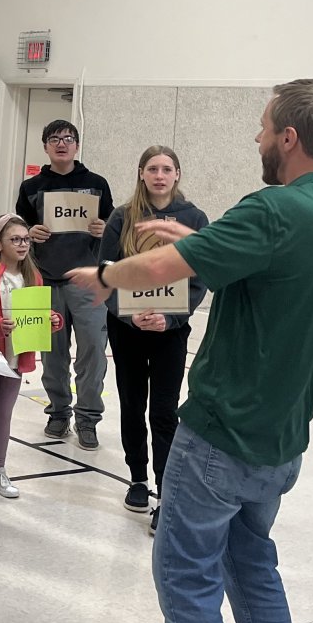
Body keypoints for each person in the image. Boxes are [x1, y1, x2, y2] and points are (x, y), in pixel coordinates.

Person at [68, 79, 313, 623]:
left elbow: (162, 266)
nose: (257, 136)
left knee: (187, 577)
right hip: (283, 443)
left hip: (221, 436)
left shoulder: (274, 208)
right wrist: (206, 240)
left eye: (264, 127)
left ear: (288, 138)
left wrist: (106, 276)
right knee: (252, 561)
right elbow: (275, 271)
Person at [97, 146, 208, 530]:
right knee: (132, 404)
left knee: (163, 412)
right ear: (141, 173)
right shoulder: (122, 217)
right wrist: (129, 314)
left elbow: (198, 278)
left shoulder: (194, 218)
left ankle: (165, 491)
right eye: (152, 169)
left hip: (169, 332)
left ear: (177, 174)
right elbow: (106, 275)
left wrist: (171, 317)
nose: (159, 175)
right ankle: (138, 479)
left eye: (167, 169)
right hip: (127, 330)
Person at [15, 120, 113, 449]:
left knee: (92, 354)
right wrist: (31, 233)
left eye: (68, 138)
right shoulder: (31, 187)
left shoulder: (97, 184)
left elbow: (114, 229)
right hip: (44, 281)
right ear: (45, 146)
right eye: (54, 139)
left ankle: (88, 417)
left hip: (87, 282)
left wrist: (104, 229)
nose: (61, 143)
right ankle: (58, 412)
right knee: (52, 355)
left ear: (76, 145)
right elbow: (17, 234)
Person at [0, 214, 59, 501]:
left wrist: (51, 320)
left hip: (16, 357)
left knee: (4, 415)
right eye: (15, 239)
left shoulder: (33, 277)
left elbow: (38, 316)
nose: (23, 245)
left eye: (26, 239)